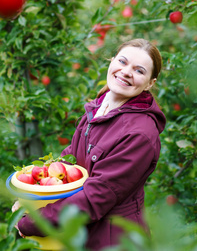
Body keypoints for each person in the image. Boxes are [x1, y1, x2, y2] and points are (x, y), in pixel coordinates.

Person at [15, 38, 166, 250]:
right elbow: (71, 159)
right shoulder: (99, 108)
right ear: (111, 61)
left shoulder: (139, 134)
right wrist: (33, 194)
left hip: (112, 240)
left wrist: (34, 221)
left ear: (150, 82)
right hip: (80, 233)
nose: (126, 72)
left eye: (139, 71)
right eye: (122, 61)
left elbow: (96, 196)